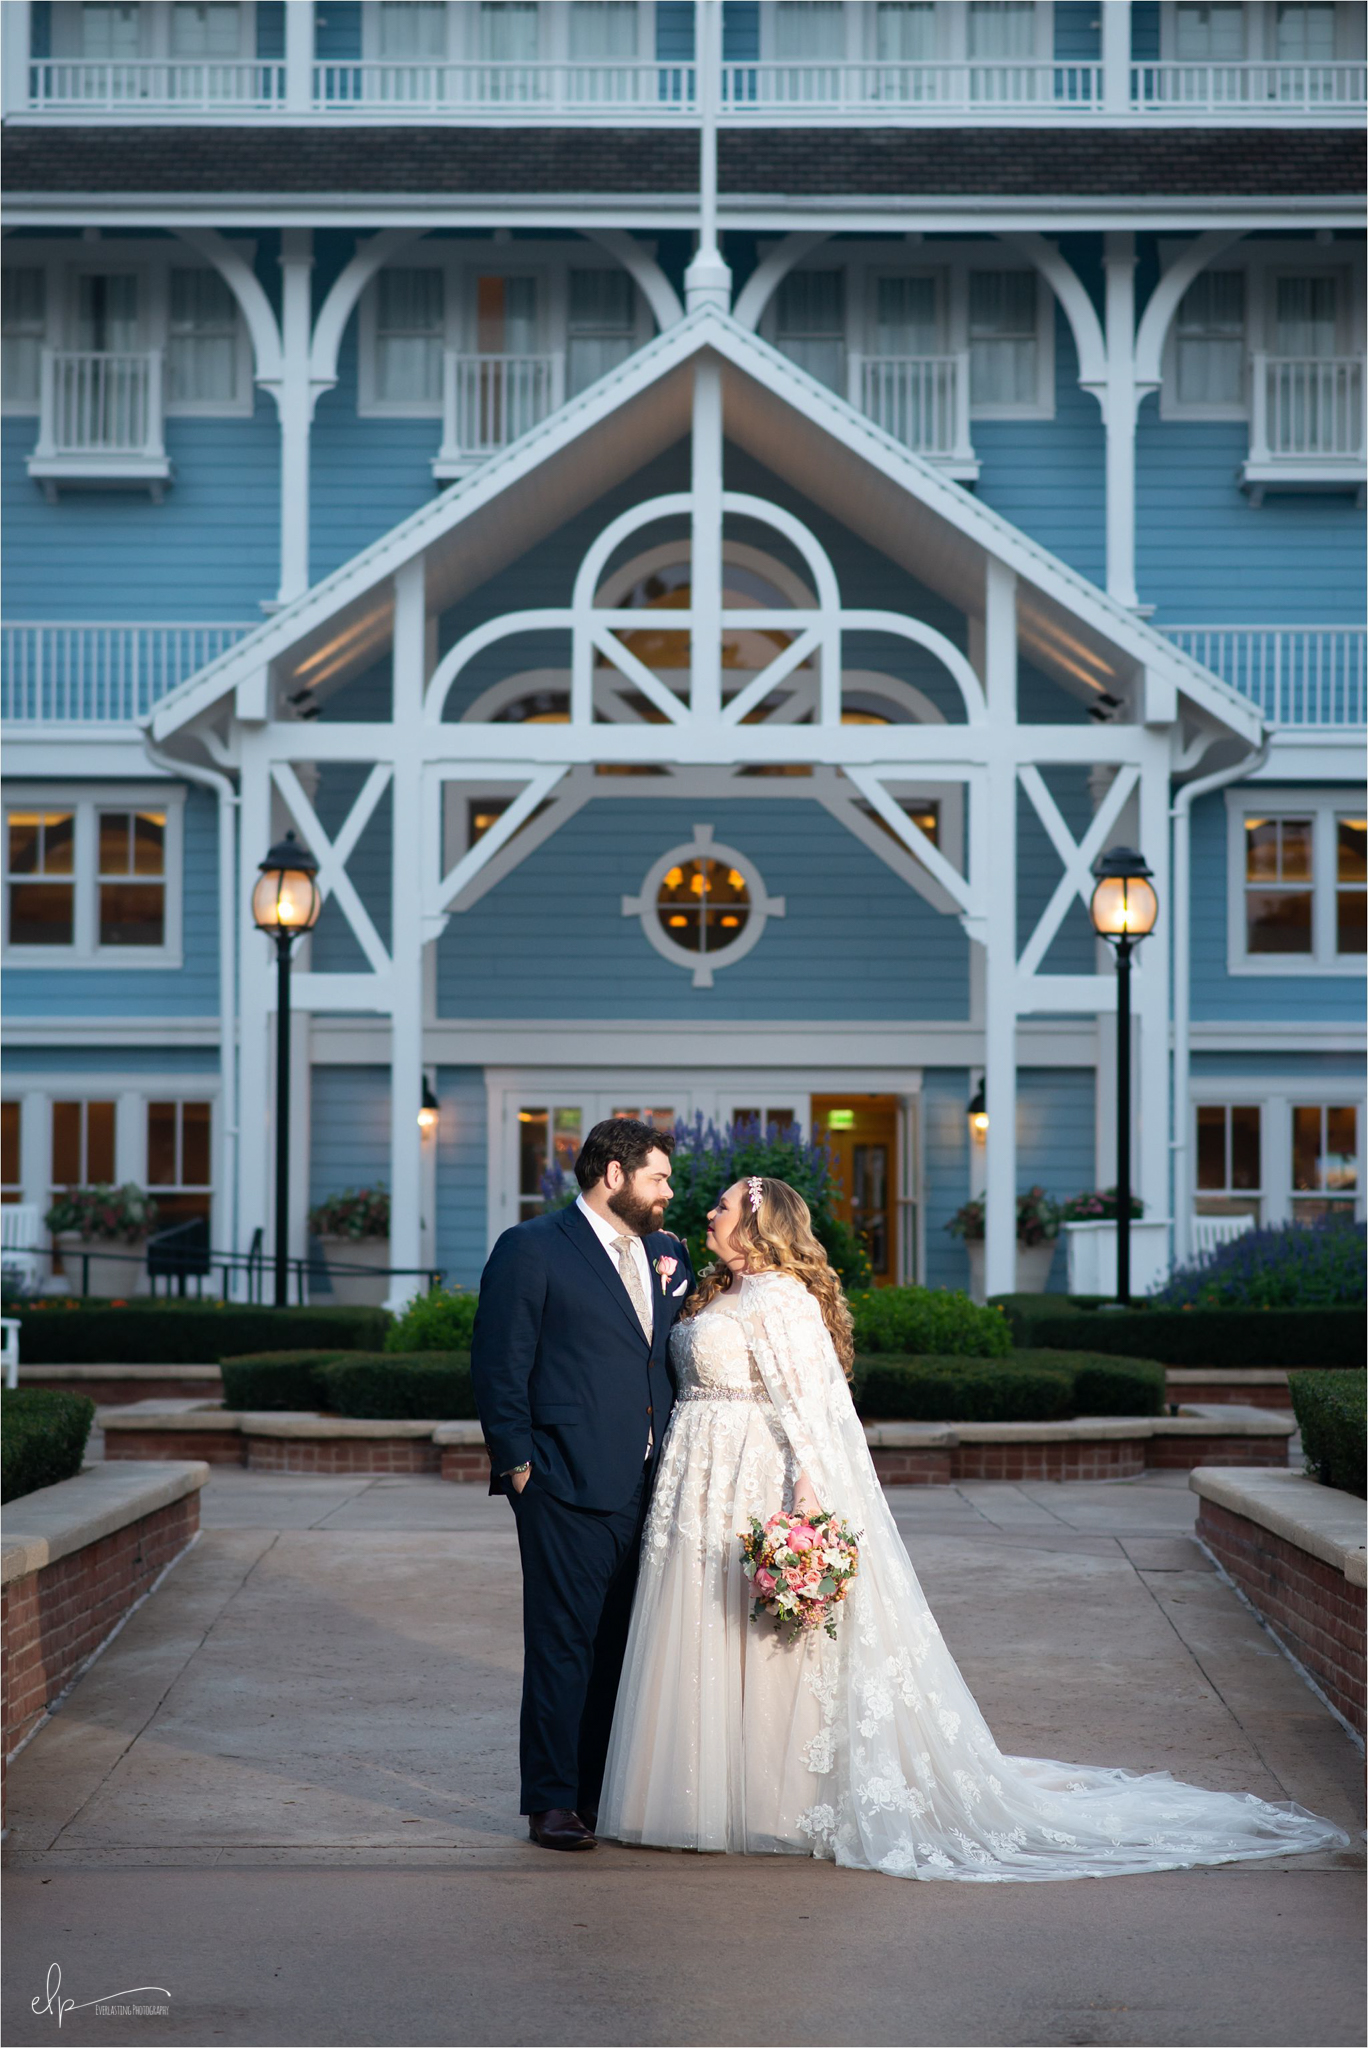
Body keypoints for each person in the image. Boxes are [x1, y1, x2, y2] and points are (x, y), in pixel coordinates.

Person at [597, 1174, 1349, 1880]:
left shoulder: (785, 1300)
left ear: (760, 1224)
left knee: (765, 1639)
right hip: (696, 1483)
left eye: (724, 1206)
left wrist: (805, 1504)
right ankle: (698, 1788)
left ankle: (770, 1799)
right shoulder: (717, 1290)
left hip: (751, 1477)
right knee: (702, 1627)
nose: (708, 1213)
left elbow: (817, 1413)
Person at [470, 1116, 693, 1852]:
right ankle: (553, 1801)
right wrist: (520, 1466)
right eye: (658, 1177)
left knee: (624, 1643)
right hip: (563, 1479)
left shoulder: (665, 1252)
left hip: (651, 1482)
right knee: (564, 1643)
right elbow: (500, 1365)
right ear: (614, 1175)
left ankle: (601, 1791)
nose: (668, 1192)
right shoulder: (531, 1249)